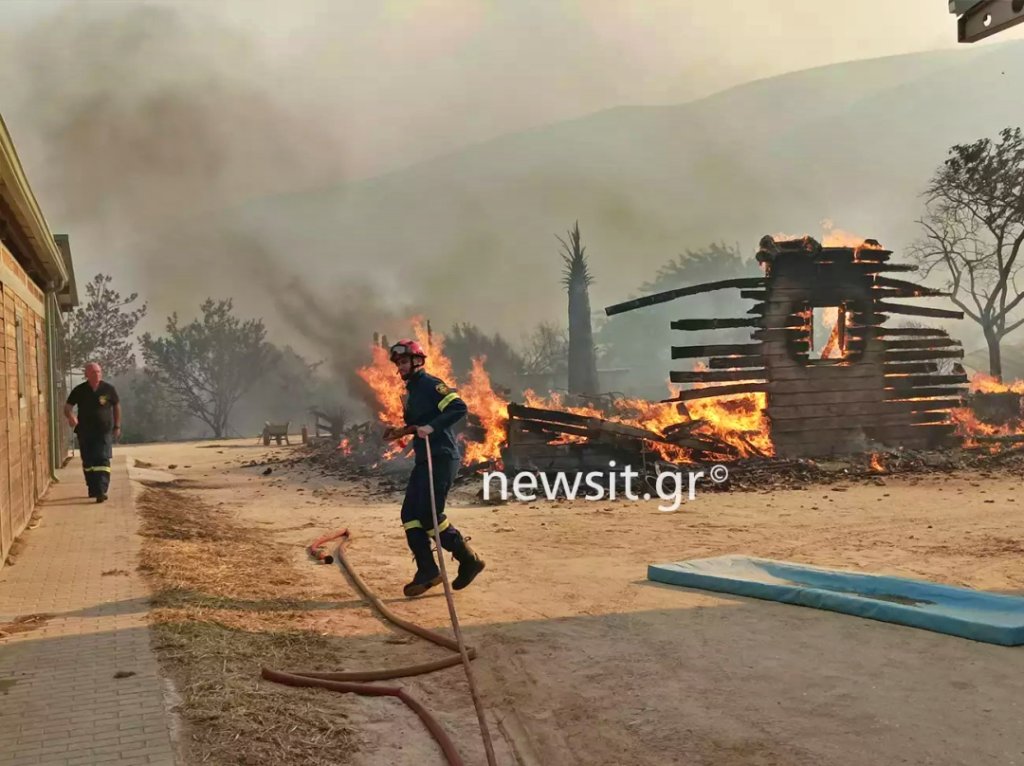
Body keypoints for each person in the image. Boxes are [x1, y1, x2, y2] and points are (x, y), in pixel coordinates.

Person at [383, 339, 485, 597]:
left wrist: (433, 427)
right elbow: (420, 422)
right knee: (409, 515)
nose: (401, 367)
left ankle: (468, 558)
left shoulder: (430, 384)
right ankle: (427, 570)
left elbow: (458, 407)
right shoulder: (411, 391)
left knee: (429, 515)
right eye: (398, 363)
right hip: (423, 459)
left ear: (417, 361)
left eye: (405, 361)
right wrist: (401, 431)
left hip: (441, 457)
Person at [64, 362, 121, 503]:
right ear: (87, 374)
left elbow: (116, 406)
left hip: (104, 431)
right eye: (93, 372)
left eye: (99, 372)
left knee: (102, 459)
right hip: (85, 432)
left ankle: (101, 490)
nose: (97, 374)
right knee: (89, 462)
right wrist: (71, 417)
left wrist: (117, 426)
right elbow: (67, 406)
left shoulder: (108, 389)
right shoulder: (80, 390)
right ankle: (93, 488)